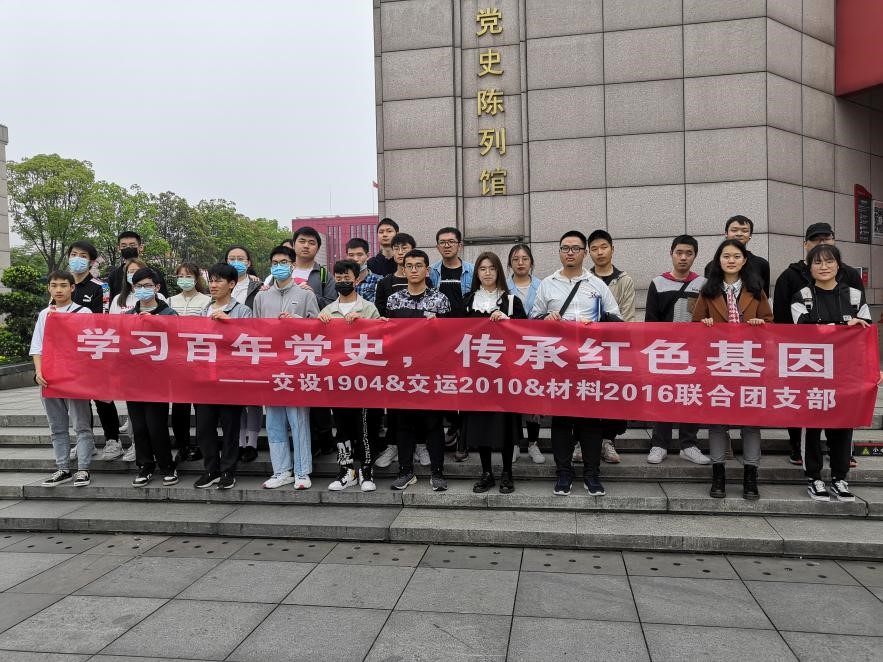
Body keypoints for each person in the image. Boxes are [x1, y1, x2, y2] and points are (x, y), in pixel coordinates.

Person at [530, 230, 622, 498]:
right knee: (561, 421)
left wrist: (598, 322)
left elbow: (617, 320)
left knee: (591, 421)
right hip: (559, 363)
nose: (570, 252)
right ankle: (564, 472)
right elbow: (532, 321)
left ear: (585, 252)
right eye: (565, 248)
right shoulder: (547, 284)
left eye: (575, 248)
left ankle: (592, 474)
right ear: (559, 252)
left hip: (590, 363)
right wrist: (546, 319)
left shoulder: (597, 284)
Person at [772, 221, 866, 466]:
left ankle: (842, 452)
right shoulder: (790, 276)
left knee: (842, 402)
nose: (821, 244)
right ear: (806, 245)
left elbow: (861, 321)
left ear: (834, 242)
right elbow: (781, 317)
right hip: (803, 354)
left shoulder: (850, 275)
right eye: (816, 240)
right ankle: (798, 447)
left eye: (827, 239)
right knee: (802, 403)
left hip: (843, 357)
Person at [693, 239, 773, 500]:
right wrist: (704, 324)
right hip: (718, 365)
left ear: (744, 260)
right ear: (718, 260)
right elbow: (693, 328)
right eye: (726, 256)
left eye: (736, 256)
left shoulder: (756, 289)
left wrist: (760, 324)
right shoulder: (708, 290)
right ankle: (718, 474)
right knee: (717, 422)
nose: (731, 260)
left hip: (749, 365)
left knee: (751, 422)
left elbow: (771, 324)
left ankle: (751, 475)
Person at [791, 244, 871, 502]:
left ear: (838, 265)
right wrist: (843, 326)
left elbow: (865, 333)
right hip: (812, 371)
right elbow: (804, 330)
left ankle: (840, 477)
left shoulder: (855, 296)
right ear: (809, 267)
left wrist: (871, 369)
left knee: (843, 424)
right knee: (812, 425)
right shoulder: (802, 296)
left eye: (829, 261)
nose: (823, 267)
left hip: (847, 373)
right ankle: (813, 477)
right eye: (817, 262)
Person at [252, 245, 320, 490]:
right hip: (271, 367)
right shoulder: (261, 297)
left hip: (297, 367)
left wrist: (297, 322)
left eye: (283, 262)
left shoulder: (305, 294)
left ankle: (302, 471)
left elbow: (318, 328)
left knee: (298, 420)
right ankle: (281, 470)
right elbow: (254, 331)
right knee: (274, 422)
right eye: (274, 263)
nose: (278, 266)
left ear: (292, 265)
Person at [385, 249, 452, 491]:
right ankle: (406, 471)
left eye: (418, 265)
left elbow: (451, 339)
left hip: (431, 371)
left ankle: (438, 472)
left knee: (433, 423)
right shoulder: (394, 300)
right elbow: (388, 336)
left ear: (427, 270)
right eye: (409, 266)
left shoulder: (440, 299)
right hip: (402, 371)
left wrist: (439, 327)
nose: (414, 270)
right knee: (404, 423)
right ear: (403, 270)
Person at [460, 252, 526, 494]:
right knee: (481, 424)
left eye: (492, 268)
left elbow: (525, 336)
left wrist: (508, 321)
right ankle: (486, 472)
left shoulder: (512, 301)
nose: (487, 273)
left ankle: (507, 472)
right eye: (482, 269)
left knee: (505, 424)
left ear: (499, 271)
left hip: (504, 374)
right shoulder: (468, 301)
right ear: (476, 273)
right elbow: (454, 334)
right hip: (476, 374)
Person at [318, 259, 383, 492]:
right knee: (342, 427)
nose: (343, 281)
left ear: (356, 280)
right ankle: (346, 470)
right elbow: (317, 343)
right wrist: (319, 324)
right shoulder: (327, 311)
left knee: (364, 428)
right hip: (337, 380)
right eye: (339, 278)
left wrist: (362, 323)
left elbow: (381, 338)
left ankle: (366, 470)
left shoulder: (369, 308)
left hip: (363, 380)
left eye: (347, 277)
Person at [644, 235, 709, 466]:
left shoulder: (703, 284)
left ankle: (688, 445)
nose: (683, 257)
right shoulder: (658, 283)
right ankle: (659, 444)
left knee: (690, 395)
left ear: (695, 256)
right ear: (670, 253)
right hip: (665, 352)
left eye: (688, 253)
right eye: (679, 252)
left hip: (693, 353)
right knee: (664, 396)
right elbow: (650, 322)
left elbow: (708, 318)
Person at [30, 271, 95, 488]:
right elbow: (37, 347)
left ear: (72, 288)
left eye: (63, 285)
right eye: (54, 285)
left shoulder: (83, 312)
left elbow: (89, 345)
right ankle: (63, 468)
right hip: (50, 379)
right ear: (49, 288)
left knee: (81, 425)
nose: (58, 290)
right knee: (57, 427)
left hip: (75, 378)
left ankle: (83, 469)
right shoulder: (45, 314)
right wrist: (39, 372)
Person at [193, 263, 251, 489]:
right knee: (204, 427)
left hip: (230, 378)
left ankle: (228, 470)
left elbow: (250, 340)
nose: (213, 285)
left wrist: (230, 324)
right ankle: (211, 469)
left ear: (232, 284)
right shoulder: (203, 310)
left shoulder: (242, 311)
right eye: (211, 280)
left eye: (218, 280)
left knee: (230, 427)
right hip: (205, 378)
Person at [66, 240, 121, 462]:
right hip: (70, 355)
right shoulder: (64, 285)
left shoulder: (101, 287)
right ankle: (85, 441)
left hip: (95, 349)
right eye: (73, 254)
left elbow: (102, 320)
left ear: (91, 261)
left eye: (83, 256)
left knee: (102, 397)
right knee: (79, 400)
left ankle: (113, 440)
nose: (77, 259)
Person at [124, 267, 179, 487]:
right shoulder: (128, 316)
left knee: (156, 426)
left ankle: (167, 465)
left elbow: (178, 342)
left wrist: (155, 323)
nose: (143, 290)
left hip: (158, 380)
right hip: (133, 380)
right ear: (132, 288)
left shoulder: (169, 314)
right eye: (138, 286)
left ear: (157, 287)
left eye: (147, 286)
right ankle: (145, 465)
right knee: (139, 427)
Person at [587, 229, 636, 465]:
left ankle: (608, 441)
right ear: (589, 253)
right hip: (587, 348)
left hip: (616, 347)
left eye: (604, 247)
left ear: (612, 249)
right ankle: (583, 442)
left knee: (612, 395)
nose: (599, 252)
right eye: (594, 249)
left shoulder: (624, 280)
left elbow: (626, 317)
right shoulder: (584, 279)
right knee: (587, 394)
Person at [291, 227, 337, 456]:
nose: (306, 246)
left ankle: (324, 438)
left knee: (317, 390)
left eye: (311, 242)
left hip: (315, 342)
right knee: (295, 392)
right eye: (302, 241)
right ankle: (302, 439)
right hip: (288, 344)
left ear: (318, 248)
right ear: (294, 244)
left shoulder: (324, 275)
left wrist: (312, 295)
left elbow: (332, 303)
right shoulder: (282, 272)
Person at [429, 227, 474, 458]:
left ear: (460, 245)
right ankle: (454, 425)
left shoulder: (472, 271)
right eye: (442, 242)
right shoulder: (431, 272)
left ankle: (463, 440)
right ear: (437, 246)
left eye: (451, 241)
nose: (447, 245)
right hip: (439, 340)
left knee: (464, 388)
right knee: (443, 386)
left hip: (466, 338)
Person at [505, 243, 545, 465]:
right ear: (509, 264)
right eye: (515, 259)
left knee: (533, 398)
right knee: (511, 398)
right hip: (510, 351)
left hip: (535, 350)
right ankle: (513, 443)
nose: (520, 263)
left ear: (531, 262)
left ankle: (533, 443)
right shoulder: (503, 287)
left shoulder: (543, 286)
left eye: (524, 258)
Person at [168, 262, 211, 463]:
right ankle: (183, 445)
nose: (184, 279)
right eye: (180, 276)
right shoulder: (170, 300)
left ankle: (202, 445)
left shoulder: (207, 301)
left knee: (201, 407)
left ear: (196, 278)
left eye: (188, 276)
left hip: (200, 359)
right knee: (180, 406)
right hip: (177, 361)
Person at [225, 245, 263, 462]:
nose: (236, 262)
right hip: (227, 349)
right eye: (232, 258)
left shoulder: (259, 286)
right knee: (234, 397)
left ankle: (252, 443)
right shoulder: (220, 284)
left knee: (252, 398)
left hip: (251, 346)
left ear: (249, 263)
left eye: (241, 259)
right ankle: (239, 441)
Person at [704, 215, 770, 295]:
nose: (739, 234)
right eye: (734, 230)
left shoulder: (762, 264)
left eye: (744, 231)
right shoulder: (712, 266)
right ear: (726, 233)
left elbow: (764, 296)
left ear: (750, 235)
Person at [106, 231, 168, 300]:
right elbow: (110, 301)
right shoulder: (113, 276)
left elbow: (164, 299)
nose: (128, 248)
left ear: (141, 247)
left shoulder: (154, 272)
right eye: (124, 246)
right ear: (118, 248)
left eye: (132, 245)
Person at [374, 232, 417, 318]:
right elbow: (380, 312)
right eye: (396, 249)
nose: (400, 252)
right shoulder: (384, 283)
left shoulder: (423, 280)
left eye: (404, 248)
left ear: (413, 250)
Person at [346, 237, 383, 303]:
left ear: (367, 256)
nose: (355, 259)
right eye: (351, 255)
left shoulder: (379, 281)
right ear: (347, 256)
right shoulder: (342, 281)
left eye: (359, 255)